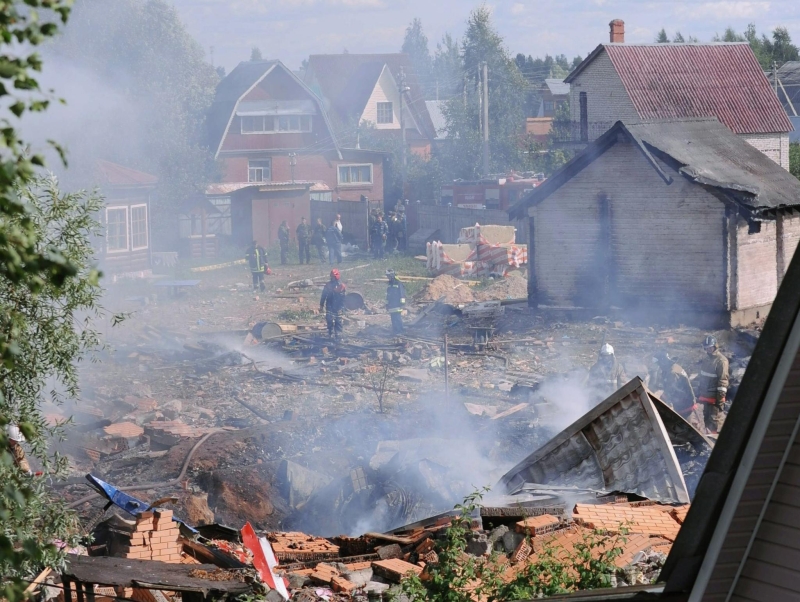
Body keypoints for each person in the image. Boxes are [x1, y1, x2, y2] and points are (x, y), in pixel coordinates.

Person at [651, 350, 704, 432]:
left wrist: (658, 402)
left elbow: (670, 391)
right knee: (686, 429)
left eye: (659, 364)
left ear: (663, 362)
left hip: (685, 406)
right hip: (683, 403)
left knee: (690, 431)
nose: (658, 366)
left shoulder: (672, 372)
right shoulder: (672, 367)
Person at [697, 335, 729, 435]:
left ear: (715, 346)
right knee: (705, 420)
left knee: (714, 421)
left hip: (714, 398)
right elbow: (702, 376)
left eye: (710, 347)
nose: (708, 350)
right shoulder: (706, 359)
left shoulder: (721, 361)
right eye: (706, 348)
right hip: (704, 396)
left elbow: (723, 382)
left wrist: (720, 399)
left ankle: (714, 442)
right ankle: (707, 439)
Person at [320, 269, 347, 339]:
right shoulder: (328, 285)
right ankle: (330, 333)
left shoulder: (341, 286)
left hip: (338, 305)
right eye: (331, 277)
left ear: (337, 277)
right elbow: (323, 296)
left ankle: (338, 334)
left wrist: (342, 307)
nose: (332, 279)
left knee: (338, 320)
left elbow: (343, 298)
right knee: (329, 319)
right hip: (329, 304)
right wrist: (321, 305)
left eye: (334, 277)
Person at [385, 269, 406, 335]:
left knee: (397, 318)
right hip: (391, 305)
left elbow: (402, 294)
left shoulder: (398, 283)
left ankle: (400, 331)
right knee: (393, 319)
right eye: (387, 276)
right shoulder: (390, 284)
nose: (387, 277)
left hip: (397, 304)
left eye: (388, 276)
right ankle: (395, 331)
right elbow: (388, 295)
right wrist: (387, 304)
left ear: (392, 275)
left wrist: (402, 304)